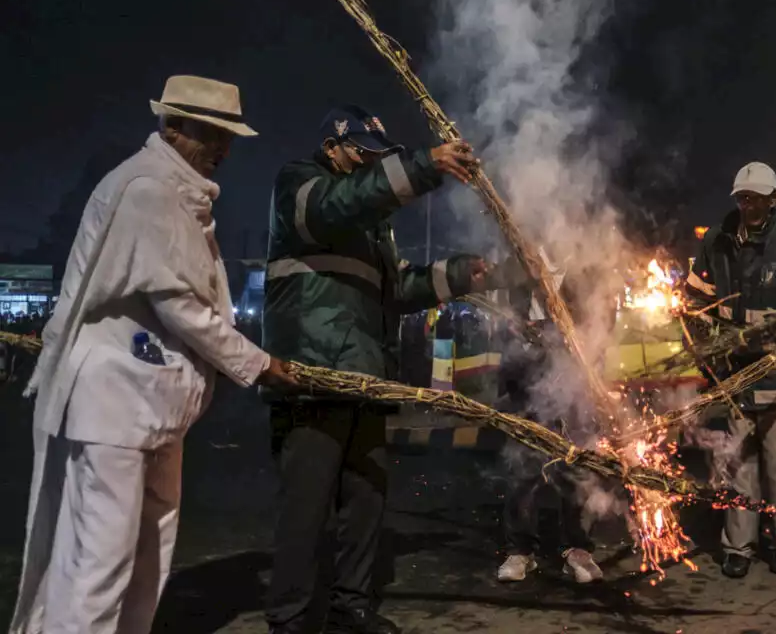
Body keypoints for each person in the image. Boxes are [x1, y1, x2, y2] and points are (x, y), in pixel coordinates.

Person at [9, 75, 297, 633]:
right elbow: (183, 306)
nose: (223, 149)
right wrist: (258, 365)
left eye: (228, 136)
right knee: (100, 562)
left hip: (149, 410)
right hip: (114, 406)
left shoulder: (169, 191)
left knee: (146, 554)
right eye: (212, 134)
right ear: (172, 127)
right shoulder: (147, 191)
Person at [261, 105, 490, 634]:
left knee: (365, 503)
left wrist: (460, 274)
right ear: (332, 148)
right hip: (311, 378)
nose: (368, 164)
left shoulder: (371, 228)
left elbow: (399, 287)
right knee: (306, 508)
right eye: (363, 153)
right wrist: (423, 166)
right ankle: (290, 619)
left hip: (364, 376)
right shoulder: (301, 184)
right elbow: (341, 204)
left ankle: (351, 608)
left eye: (376, 157)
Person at [684, 162, 776, 578]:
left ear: (774, 199)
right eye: (743, 198)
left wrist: (762, 347)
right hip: (734, 379)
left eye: (757, 199)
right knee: (737, 466)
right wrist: (707, 348)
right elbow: (694, 301)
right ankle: (738, 546)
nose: (749, 206)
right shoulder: (717, 242)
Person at [494, 257, 609, 584]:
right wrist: (517, 334)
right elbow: (503, 327)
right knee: (523, 468)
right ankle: (520, 550)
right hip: (526, 385)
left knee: (576, 468)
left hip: (573, 386)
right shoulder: (518, 270)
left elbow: (601, 325)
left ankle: (577, 548)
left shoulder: (584, 266)